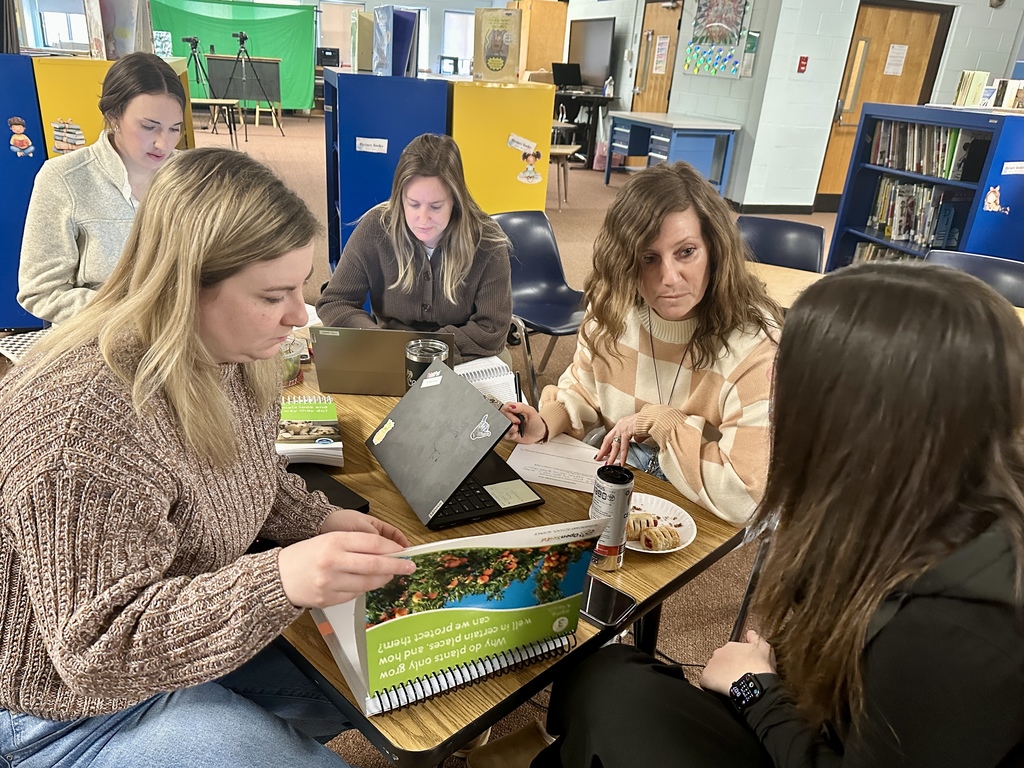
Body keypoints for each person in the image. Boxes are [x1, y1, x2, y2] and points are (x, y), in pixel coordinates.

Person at [0, 147, 416, 767]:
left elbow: (244, 469)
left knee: (375, 685)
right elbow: (96, 652)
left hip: (168, 624)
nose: (300, 316)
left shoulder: (228, 356)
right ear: (184, 287)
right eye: (274, 295)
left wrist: (317, 521)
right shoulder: (79, 430)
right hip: (64, 709)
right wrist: (279, 579)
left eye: (301, 287)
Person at [529, 261, 1024, 768]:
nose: (773, 377)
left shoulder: (955, 633)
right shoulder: (908, 503)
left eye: (797, 369)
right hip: (813, 719)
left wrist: (754, 691)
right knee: (598, 676)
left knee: (613, 700)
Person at [502, 161, 782, 524]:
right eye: (649, 258)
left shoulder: (755, 347)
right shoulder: (614, 310)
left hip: (701, 499)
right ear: (625, 262)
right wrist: (544, 422)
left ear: (714, 249)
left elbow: (746, 496)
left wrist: (661, 423)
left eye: (686, 252)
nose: (668, 278)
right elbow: (585, 390)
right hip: (619, 468)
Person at [18, 51, 186, 324]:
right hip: (99, 337)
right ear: (113, 116)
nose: (163, 144)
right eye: (149, 127)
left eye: (174, 129)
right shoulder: (64, 178)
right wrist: (135, 311)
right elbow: (40, 292)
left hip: (182, 332)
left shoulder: (191, 174)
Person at [316, 133, 512, 365]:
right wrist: (376, 340)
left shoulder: (487, 240)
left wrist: (425, 352)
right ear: (400, 199)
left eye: (436, 206)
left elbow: (492, 328)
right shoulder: (375, 228)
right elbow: (336, 302)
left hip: (464, 355)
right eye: (413, 204)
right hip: (390, 353)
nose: (423, 218)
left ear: (456, 201)